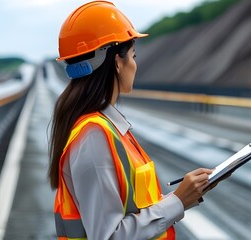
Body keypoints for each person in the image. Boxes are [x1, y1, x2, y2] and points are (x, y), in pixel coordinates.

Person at [48, 1, 216, 239]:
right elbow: (110, 235)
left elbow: (132, 210)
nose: (135, 65)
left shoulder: (104, 129)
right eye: (133, 55)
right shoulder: (93, 137)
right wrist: (177, 201)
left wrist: (184, 196)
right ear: (117, 61)